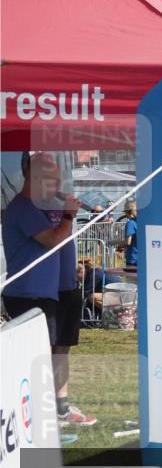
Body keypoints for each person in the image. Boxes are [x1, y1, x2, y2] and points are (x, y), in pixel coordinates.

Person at [1, 153, 96, 426]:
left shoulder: (49, 205)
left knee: (61, 348)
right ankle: (36, 413)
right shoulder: (23, 208)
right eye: (52, 180)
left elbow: (63, 243)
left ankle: (61, 407)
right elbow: (52, 241)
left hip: (62, 288)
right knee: (40, 355)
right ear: (36, 178)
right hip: (31, 294)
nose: (57, 185)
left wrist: (72, 268)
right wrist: (68, 214)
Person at [122, 202, 138, 271]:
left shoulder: (130, 223)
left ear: (126, 212)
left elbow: (127, 242)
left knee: (130, 281)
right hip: (140, 259)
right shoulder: (141, 222)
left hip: (132, 258)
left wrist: (113, 242)